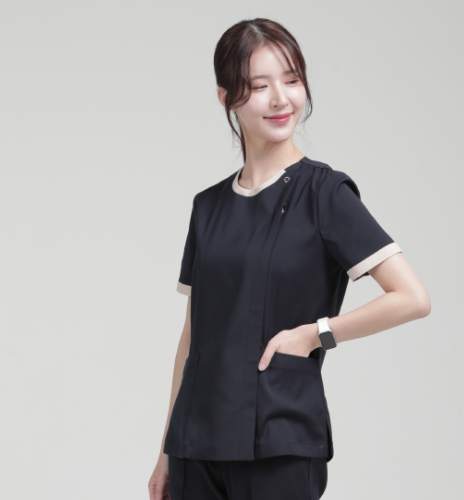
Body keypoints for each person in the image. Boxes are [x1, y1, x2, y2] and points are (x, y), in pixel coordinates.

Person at [148, 17, 431, 500]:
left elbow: (412, 297)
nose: (281, 99)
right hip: (195, 444)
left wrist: (316, 334)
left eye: (292, 80)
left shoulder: (325, 193)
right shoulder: (207, 207)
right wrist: (165, 451)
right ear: (226, 98)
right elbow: (193, 336)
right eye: (260, 86)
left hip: (279, 439)